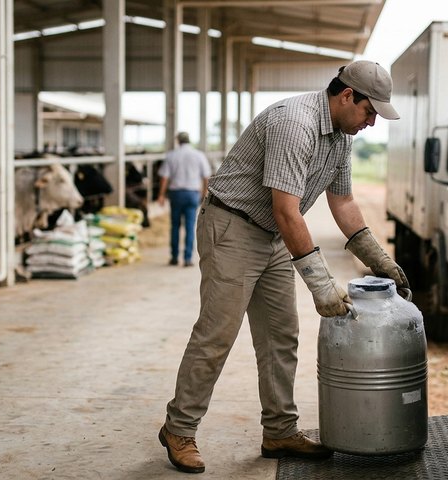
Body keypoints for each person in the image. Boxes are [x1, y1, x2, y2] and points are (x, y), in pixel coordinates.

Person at [158, 60, 411, 474]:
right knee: (217, 334)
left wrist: (379, 259)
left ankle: (279, 430)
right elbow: (287, 209)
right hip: (234, 226)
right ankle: (179, 428)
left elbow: (342, 202)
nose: (371, 122)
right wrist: (322, 285)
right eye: (369, 111)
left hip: (271, 234)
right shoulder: (296, 123)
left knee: (281, 336)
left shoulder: (341, 137)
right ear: (347, 95)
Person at [158, 132, 212, 266]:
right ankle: (188, 258)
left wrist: (161, 195)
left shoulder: (171, 155)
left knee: (175, 225)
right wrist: (205, 192)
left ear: (178, 141)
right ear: (189, 140)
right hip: (192, 194)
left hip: (176, 194)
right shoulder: (199, 155)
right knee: (190, 225)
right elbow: (206, 176)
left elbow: (164, 177)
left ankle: (174, 257)